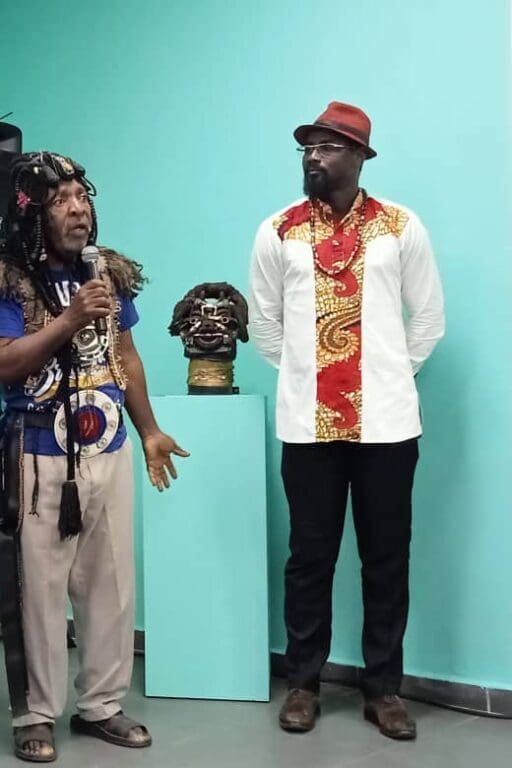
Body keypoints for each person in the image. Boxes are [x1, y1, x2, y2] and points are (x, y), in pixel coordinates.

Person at [0, 151, 188, 762]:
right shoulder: (5, 276)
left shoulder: (105, 272)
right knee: (37, 591)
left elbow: (127, 356)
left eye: (83, 197)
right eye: (62, 200)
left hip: (109, 448)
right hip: (38, 452)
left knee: (111, 583)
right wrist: (68, 319)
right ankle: (35, 713)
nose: (79, 210)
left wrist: (149, 430)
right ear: (32, 213)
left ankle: (102, 704)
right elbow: (3, 363)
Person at [248, 101, 444, 740]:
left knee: (386, 558)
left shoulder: (399, 227)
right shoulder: (278, 230)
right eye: (308, 146)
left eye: (329, 146)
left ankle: (383, 689)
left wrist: (387, 375)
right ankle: (303, 683)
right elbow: (265, 323)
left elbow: (428, 318)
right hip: (308, 427)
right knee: (309, 558)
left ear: (360, 157)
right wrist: (306, 377)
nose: (314, 156)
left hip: (387, 427)